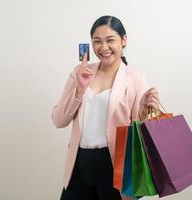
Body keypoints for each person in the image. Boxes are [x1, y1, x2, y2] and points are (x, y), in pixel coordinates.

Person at [52, 15, 160, 200]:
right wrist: (79, 90)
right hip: (79, 164)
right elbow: (58, 120)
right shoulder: (79, 73)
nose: (103, 48)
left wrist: (145, 114)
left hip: (116, 165)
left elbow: (141, 134)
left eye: (110, 40)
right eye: (97, 41)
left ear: (123, 40)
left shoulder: (135, 79)